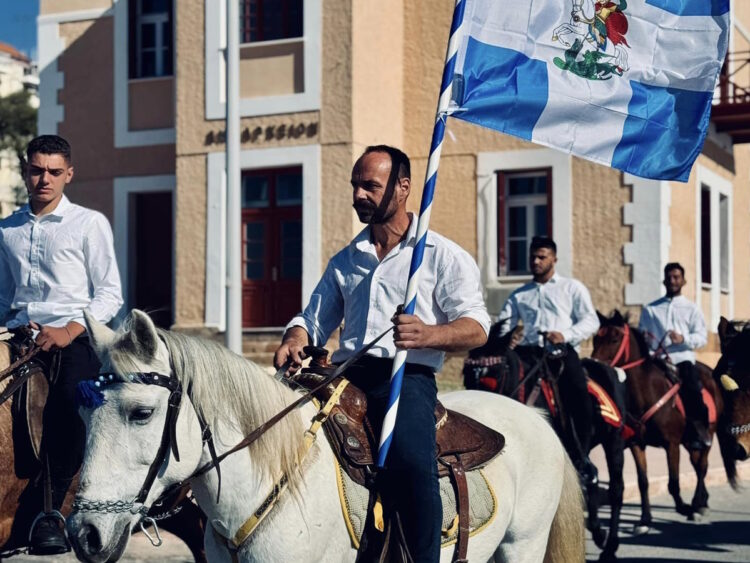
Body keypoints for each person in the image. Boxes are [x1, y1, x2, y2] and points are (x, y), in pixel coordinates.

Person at [273, 145, 490, 562]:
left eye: (370, 186)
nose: (358, 195)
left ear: (403, 187)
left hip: (405, 377)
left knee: (411, 461)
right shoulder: (346, 260)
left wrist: (428, 334)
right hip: (344, 373)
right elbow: (313, 319)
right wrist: (296, 337)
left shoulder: (440, 254)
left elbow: (477, 327)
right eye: (355, 185)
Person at [0, 135, 123, 554]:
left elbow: (110, 295)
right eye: (37, 170)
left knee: (71, 400)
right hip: (19, 335)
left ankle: (50, 512)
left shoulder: (88, 224)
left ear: (69, 174)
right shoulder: (7, 229)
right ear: (25, 171)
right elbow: (4, 296)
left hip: (74, 338)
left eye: (54, 172)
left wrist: (69, 330)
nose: (44, 179)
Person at [498, 236, 599, 483]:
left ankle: (582, 456)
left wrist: (565, 335)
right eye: (533, 256)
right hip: (528, 353)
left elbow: (591, 321)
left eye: (541, 257)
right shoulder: (519, 294)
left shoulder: (571, 288)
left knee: (579, 395)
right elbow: (504, 324)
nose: (536, 261)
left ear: (554, 259)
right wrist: (506, 339)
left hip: (560, 354)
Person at [638, 262, 710, 449]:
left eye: (676, 277)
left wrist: (683, 338)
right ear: (664, 281)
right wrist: (646, 340)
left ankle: (699, 431)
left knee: (693, 390)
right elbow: (643, 336)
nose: (672, 281)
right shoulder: (650, 309)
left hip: (682, 359)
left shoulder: (692, 308)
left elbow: (702, 338)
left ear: (683, 281)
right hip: (657, 361)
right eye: (669, 277)